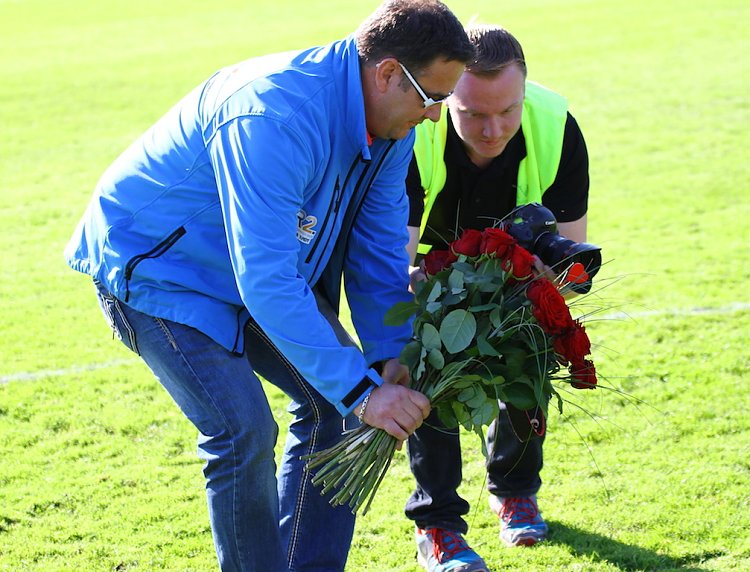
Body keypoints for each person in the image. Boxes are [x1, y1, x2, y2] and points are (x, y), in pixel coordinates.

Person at [63, 1, 474, 570]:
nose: (435, 117)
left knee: (336, 405)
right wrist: (361, 392)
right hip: (158, 270)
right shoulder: (274, 115)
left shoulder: (391, 126)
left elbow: (378, 250)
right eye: (432, 98)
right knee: (242, 429)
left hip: (257, 268)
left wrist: (384, 357)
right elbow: (268, 279)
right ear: (386, 74)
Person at [404, 24, 591, 572]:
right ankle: (437, 526)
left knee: (531, 349)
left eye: (506, 111)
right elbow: (394, 261)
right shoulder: (414, 132)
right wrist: (432, 295)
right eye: (473, 115)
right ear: (445, 101)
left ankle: (513, 490)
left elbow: (573, 263)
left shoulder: (556, 125)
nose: (492, 130)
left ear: (524, 92)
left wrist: (542, 284)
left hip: (517, 271)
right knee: (429, 369)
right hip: (429, 270)